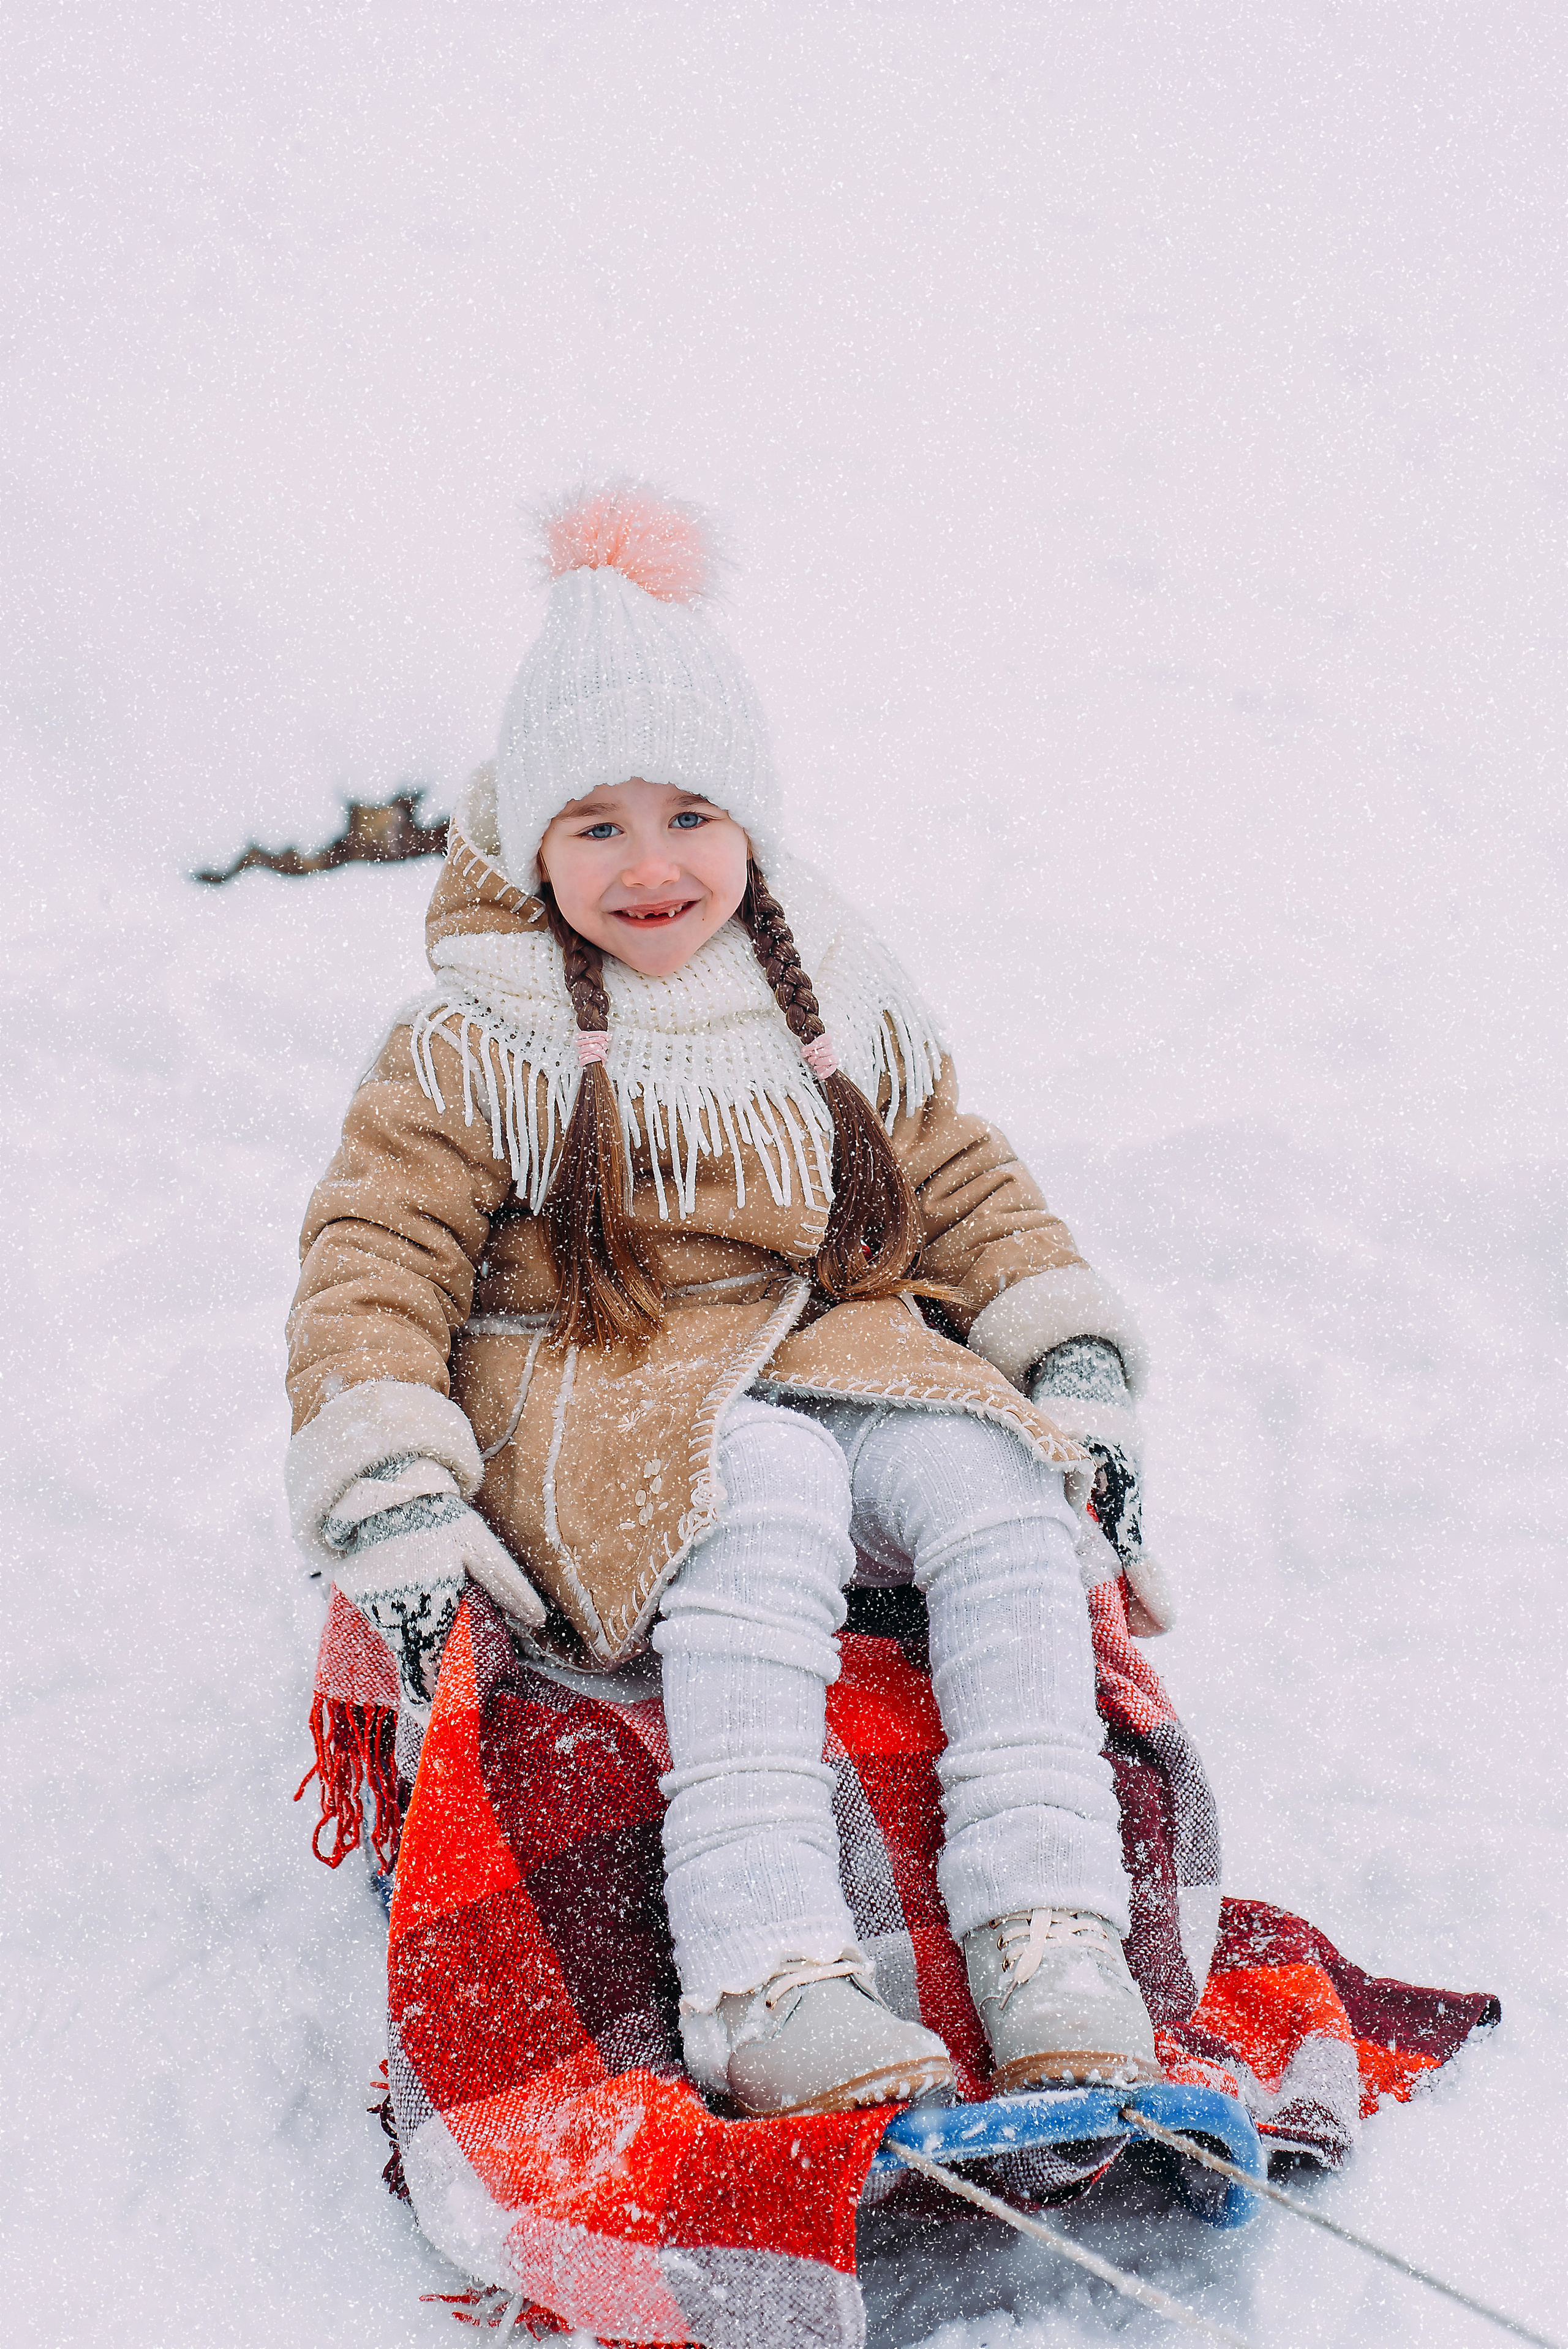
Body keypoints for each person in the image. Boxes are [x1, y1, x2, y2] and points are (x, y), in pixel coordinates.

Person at [285, 484, 1181, 2119]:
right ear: (529, 840)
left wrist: (1067, 1352)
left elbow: (954, 1175)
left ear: (751, 823)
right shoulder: (472, 1035)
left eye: (689, 814)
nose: (650, 867)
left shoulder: (824, 987)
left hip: (826, 1352)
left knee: (995, 1480)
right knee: (756, 1485)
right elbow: (375, 1256)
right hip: (600, 1382)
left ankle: (1048, 1924)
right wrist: (388, 1482)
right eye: (595, 826)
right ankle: (765, 1971)